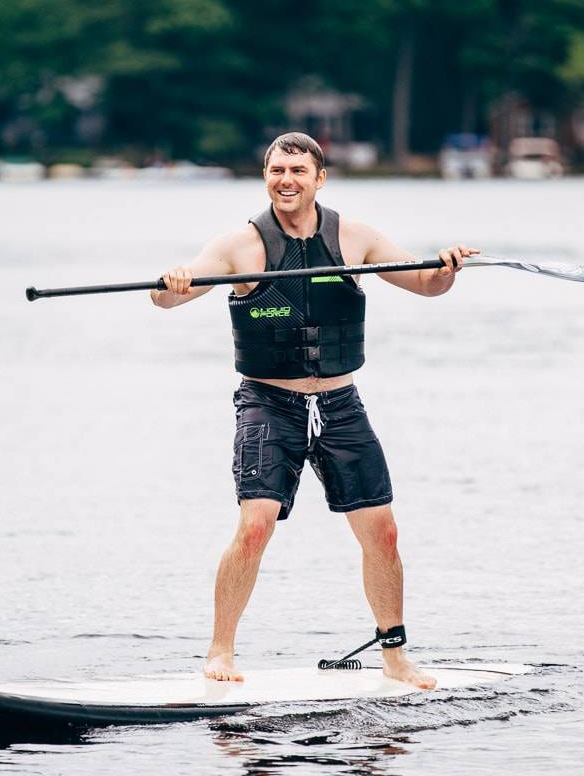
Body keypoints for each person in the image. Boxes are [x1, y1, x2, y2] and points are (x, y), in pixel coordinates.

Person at [150, 132, 478, 689]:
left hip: (340, 405)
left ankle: (395, 656)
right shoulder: (237, 247)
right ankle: (220, 652)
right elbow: (167, 298)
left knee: (383, 533)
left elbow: (426, 284)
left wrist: (446, 268)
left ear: (320, 178)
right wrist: (172, 284)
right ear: (266, 176)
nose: (286, 180)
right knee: (256, 525)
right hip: (268, 404)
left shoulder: (356, 238)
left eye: (298, 171)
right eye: (277, 170)